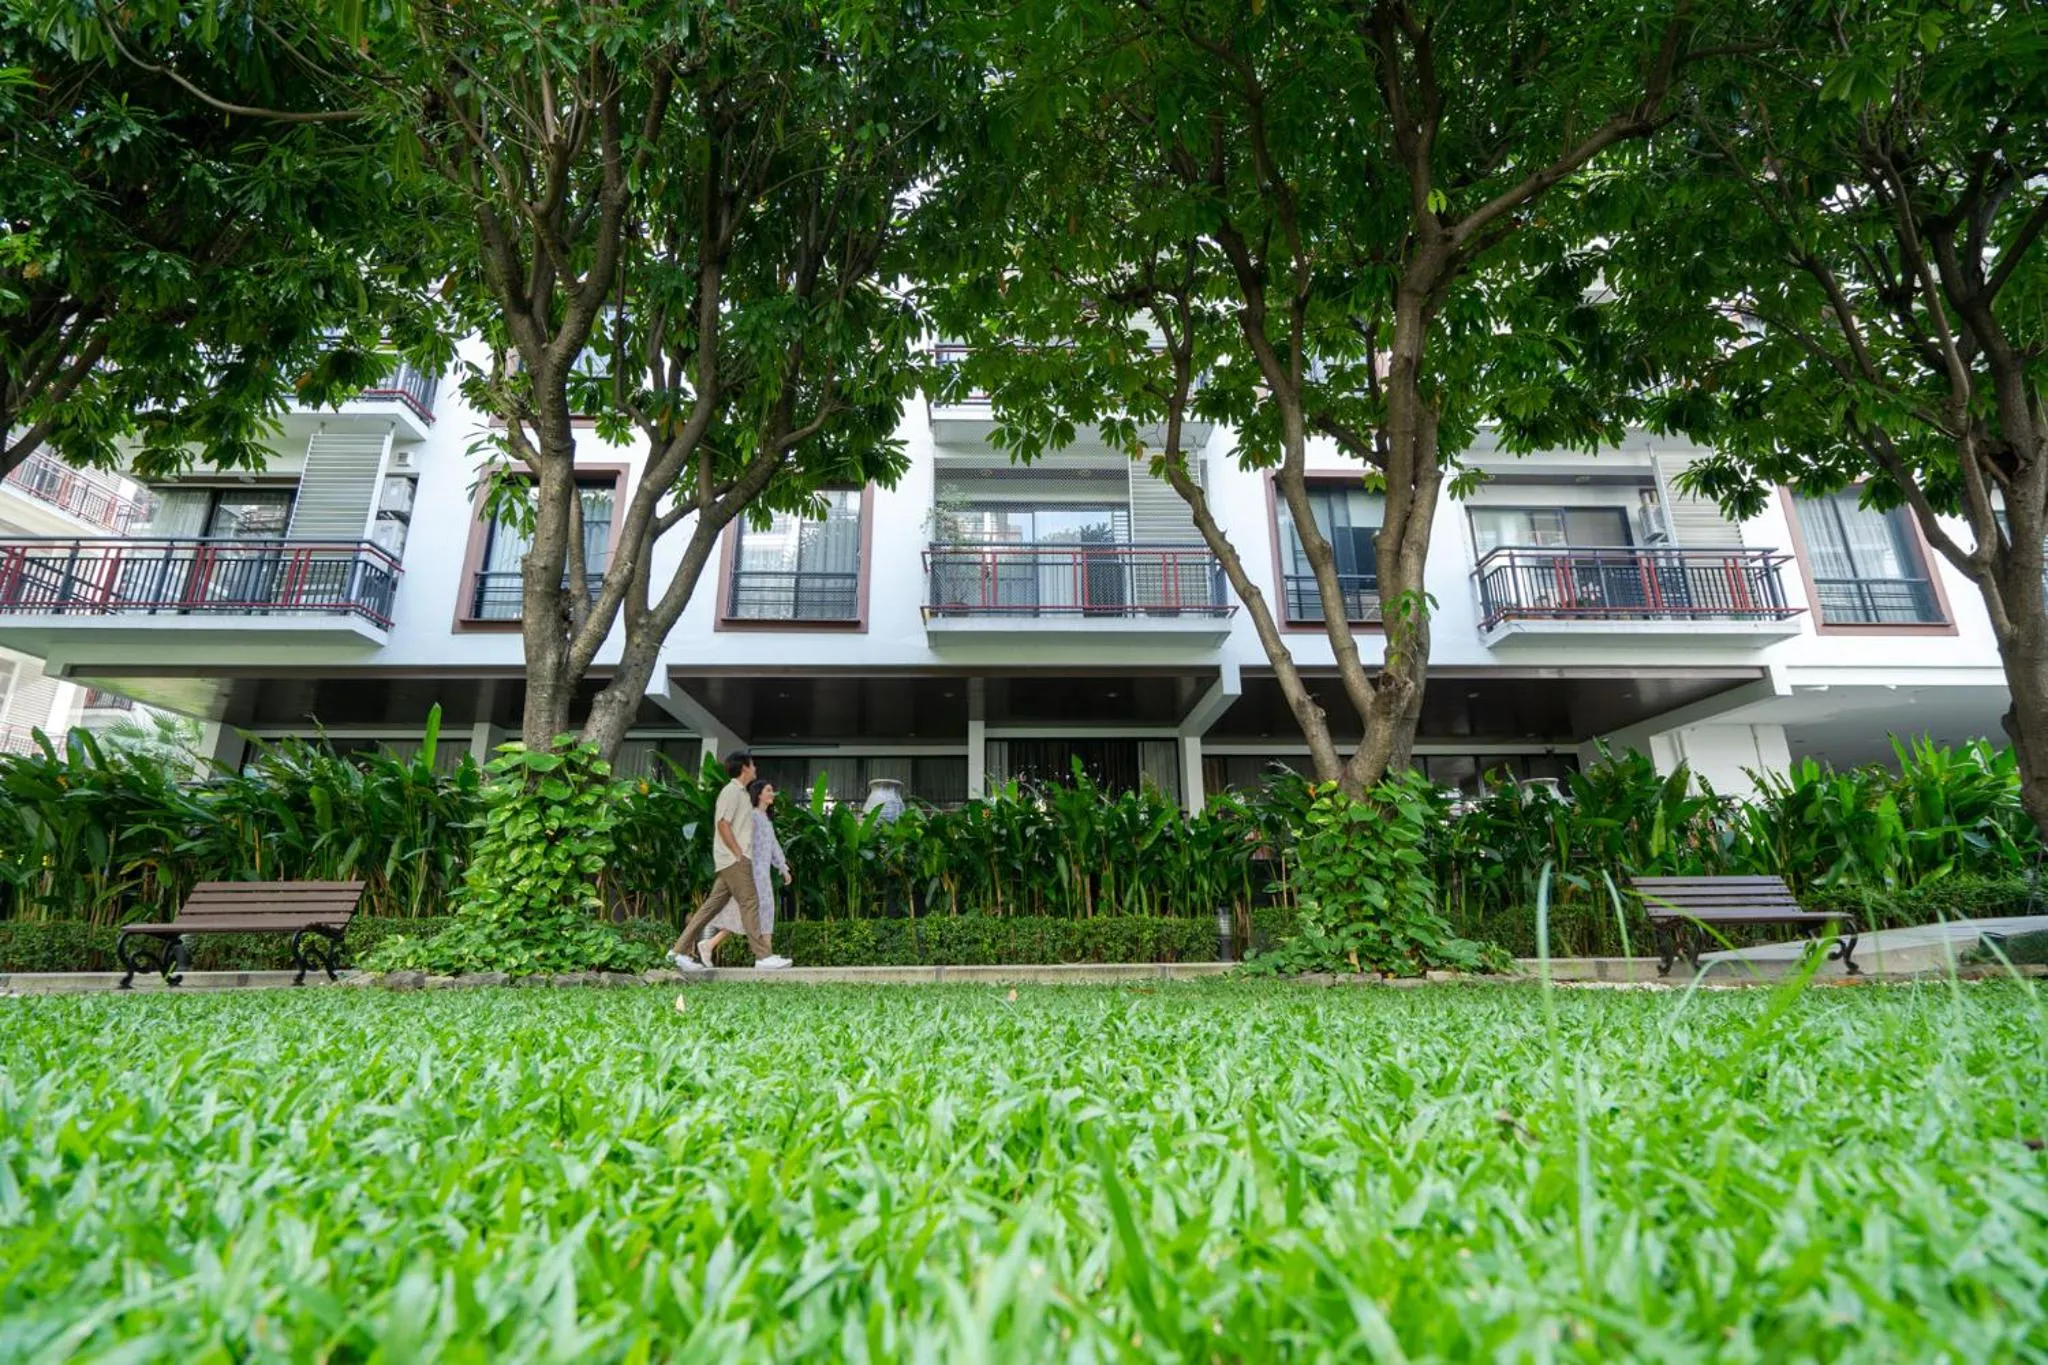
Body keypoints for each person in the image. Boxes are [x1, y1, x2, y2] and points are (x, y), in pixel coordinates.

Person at [670, 751, 790, 972]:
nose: (755, 768)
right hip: (735, 860)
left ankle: (677, 952)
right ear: (744, 767)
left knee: (710, 907)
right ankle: (763, 957)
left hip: (733, 860)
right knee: (750, 902)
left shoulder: (742, 794)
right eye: (753, 765)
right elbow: (722, 823)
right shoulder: (731, 791)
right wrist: (737, 853)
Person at [701, 779, 792, 963]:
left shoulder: (765, 819)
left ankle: (765, 956)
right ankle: (764, 958)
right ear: (759, 794)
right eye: (768, 790)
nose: (772, 794)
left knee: (764, 912)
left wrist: (783, 867)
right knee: (745, 914)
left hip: (762, 875)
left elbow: (773, 846)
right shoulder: (751, 817)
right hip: (750, 873)